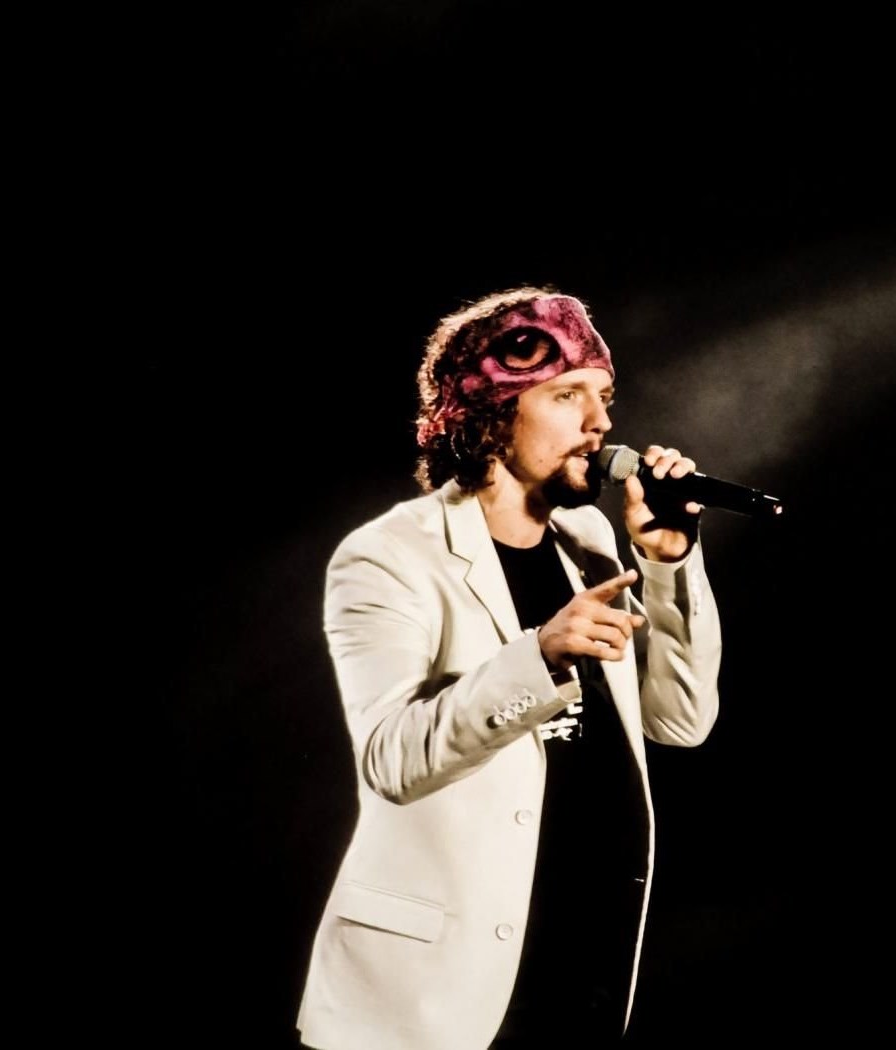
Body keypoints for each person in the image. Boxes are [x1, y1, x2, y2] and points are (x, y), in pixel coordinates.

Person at [297, 287, 723, 1050]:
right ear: (490, 415)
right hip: (433, 1004)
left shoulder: (589, 542)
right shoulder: (391, 555)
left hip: (581, 974)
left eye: (603, 397)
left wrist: (668, 564)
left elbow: (680, 721)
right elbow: (392, 761)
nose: (600, 423)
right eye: (567, 395)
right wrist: (539, 656)